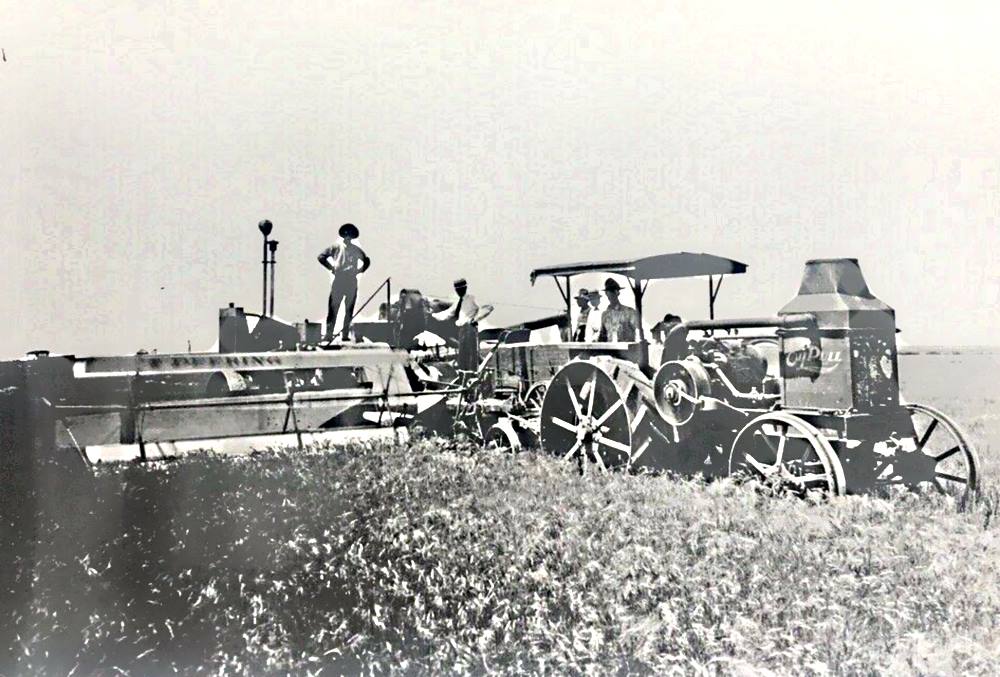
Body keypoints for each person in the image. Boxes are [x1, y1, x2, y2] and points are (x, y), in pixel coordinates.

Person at [317, 223, 371, 342]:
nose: (348, 237)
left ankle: (345, 335)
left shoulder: (356, 249)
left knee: (349, 309)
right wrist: (331, 268)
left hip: (351, 279)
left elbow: (366, 260)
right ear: (343, 235)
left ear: (352, 237)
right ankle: (329, 334)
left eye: (350, 235)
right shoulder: (336, 247)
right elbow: (321, 257)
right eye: (346, 234)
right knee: (333, 308)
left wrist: (359, 270)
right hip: (339, 278)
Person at [432, 278, 480, 371]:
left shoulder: (472, 298)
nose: (458, 292)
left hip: (470, 327)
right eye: (457, 290)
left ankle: (473, 372)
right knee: (462, 354)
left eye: (460, 289)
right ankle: (463, 373)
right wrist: (433, 315)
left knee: (471, 353)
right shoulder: (458, 301)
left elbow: (482, 309)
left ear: (465, 288)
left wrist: (475, 319)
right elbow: (449, 313)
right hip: (462, 329)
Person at [598, 278, 639, 342]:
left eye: (613, 291)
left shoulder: (629, 312)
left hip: (626, 347)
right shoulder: (605, 315)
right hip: (610, 347)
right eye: (608, 292)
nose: (610, 294)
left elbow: (638, 332)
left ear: (617, 292)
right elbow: (602, 336)